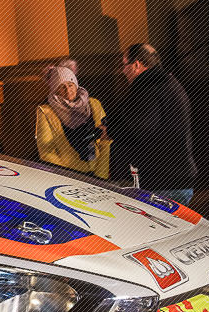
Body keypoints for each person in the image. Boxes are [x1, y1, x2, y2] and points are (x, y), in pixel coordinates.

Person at [104, 43, 196, 205]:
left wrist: (109, 130)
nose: (123, 71)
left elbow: (137, 129)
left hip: (161, 182)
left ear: (136, 65)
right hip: (174, 178)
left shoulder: (149, 88)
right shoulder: (168, 83)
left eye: (124, 65)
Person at [36, 62, 109, 178]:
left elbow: (106, 138)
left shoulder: (94, 104)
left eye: (70, 85)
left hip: (99, 169)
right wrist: (69, 175)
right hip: (69, 174)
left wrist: (101, 172)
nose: (67, 90)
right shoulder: (46, 112)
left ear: (76, 85)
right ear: (55, 90)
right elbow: (46, 152)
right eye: (62, 87)